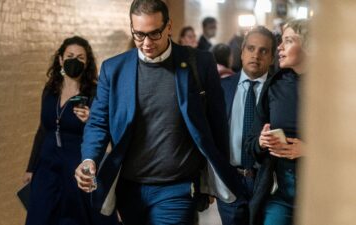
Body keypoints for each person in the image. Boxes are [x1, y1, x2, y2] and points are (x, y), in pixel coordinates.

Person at [74, 0, 245, 225]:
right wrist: (89, 159)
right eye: (139, 34)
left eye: (154, 33)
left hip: (177, 188)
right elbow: (98, 122)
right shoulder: (114, 69)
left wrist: (215, 176)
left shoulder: (199, 63)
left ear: (169, 27)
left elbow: (217, 123)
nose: (146, 43)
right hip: (130, 187)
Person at [24, 36, 118, 225]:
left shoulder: (94, 93)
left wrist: (91, 119)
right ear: (60, 59)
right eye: (70, 55)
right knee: (41, 215)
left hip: (76, 167)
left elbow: (107, 134)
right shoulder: (50, 90)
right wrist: (31, 168)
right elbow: (42, 129)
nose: (75, 60)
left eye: (81, 58)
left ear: (87, 63)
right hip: (47, 166)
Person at [245, 19, 308, 225]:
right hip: (284, 195)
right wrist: (261, 141)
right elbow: (251, 143)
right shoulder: (275, 85)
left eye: (288, 41)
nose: (279, 47)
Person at [217, 26, 276, 225]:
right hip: (230, 179)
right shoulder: (222, 88)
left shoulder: (278, 92)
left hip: (266, 182)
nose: (256, 55)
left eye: (263, 51)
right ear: (241, 52)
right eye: (250, 48)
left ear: (272, 57)